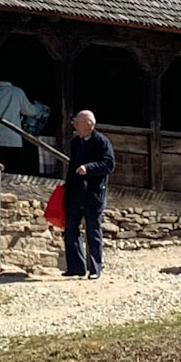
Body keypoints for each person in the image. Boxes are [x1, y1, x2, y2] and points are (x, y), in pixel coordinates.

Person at [63, 109, 115, 278]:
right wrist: (66, 188)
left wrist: (89, 168)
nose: (75, 125)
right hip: (76, 192)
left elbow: (108, 165)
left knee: (93, 230)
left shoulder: (102, 142)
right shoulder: (76, 143)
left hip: (93, 193)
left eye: (77, 123)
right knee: (71, 230)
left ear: (88, 125)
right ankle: (76, 267)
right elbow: (72, 168)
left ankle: (95, 268)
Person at [0, 78, 49, 174]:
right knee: (12, 170)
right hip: (13, 138)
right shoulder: (17, 92)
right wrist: (40, 107)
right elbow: (30, 111)